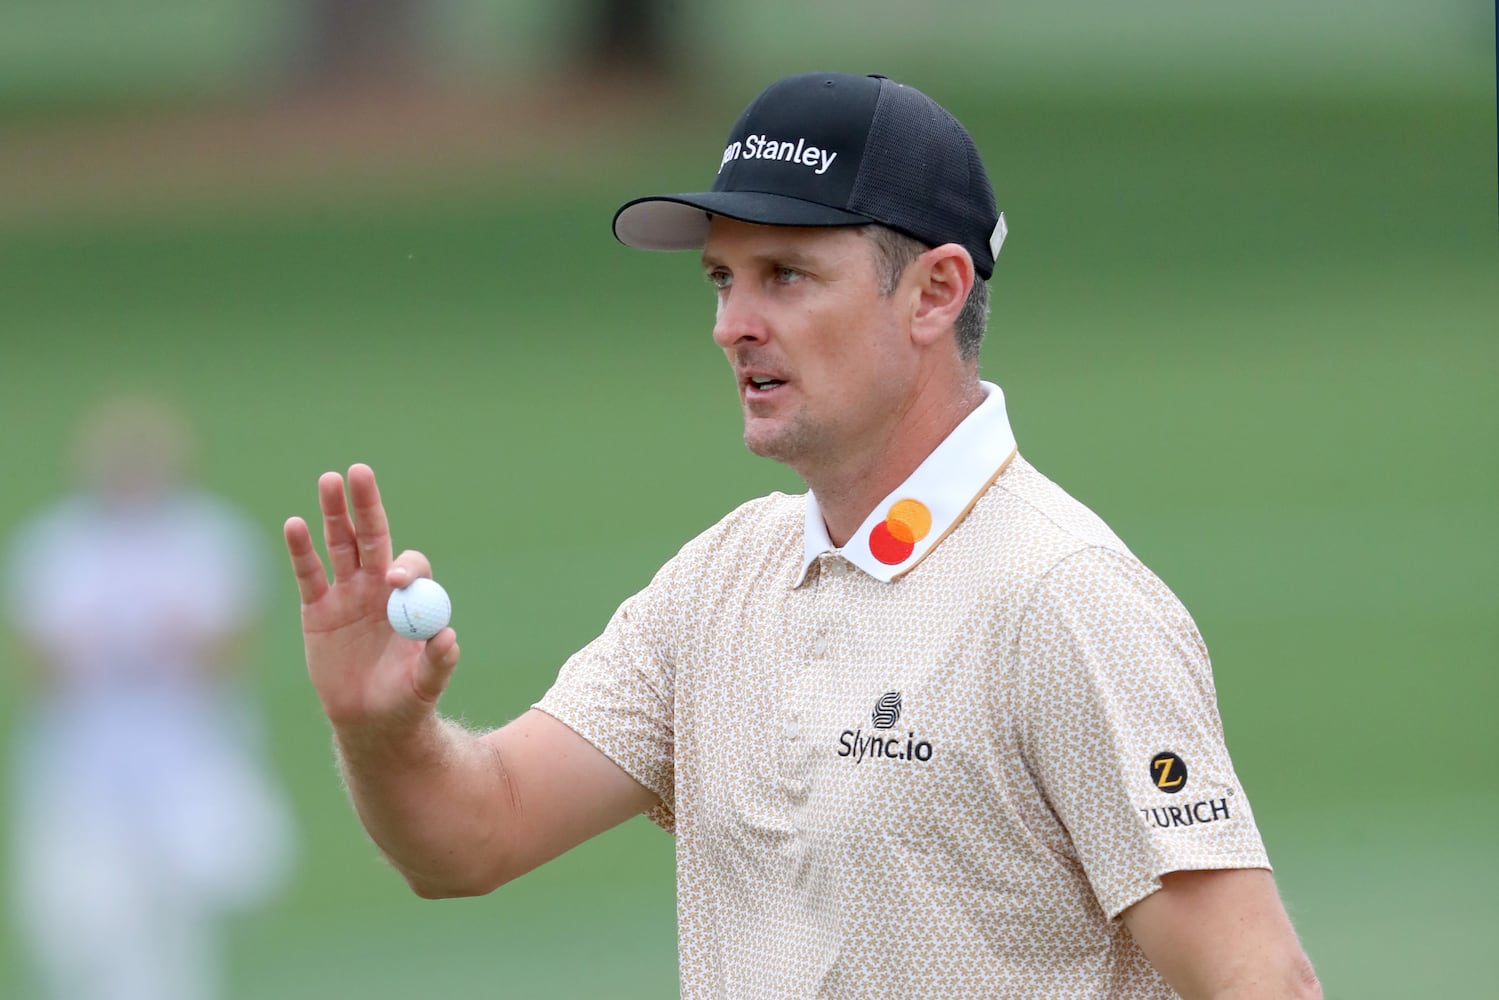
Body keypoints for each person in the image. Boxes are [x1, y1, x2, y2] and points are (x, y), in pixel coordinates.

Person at [284, 72, 1321, 998]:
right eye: (721, 279)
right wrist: (384, 733)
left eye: (783, 274)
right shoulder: (719, 582)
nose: (730, 322)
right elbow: (475, 834)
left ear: (933, 293)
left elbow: (1256, 978)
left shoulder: (1061, 599)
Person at [5, 396, 296, 1000]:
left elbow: (228, 652)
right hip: (87, 768)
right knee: (93, 935)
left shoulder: (211, 541)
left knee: (211, 888)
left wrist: (155, 642)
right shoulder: (56, 549)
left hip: (187, 757)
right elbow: (43, 667)